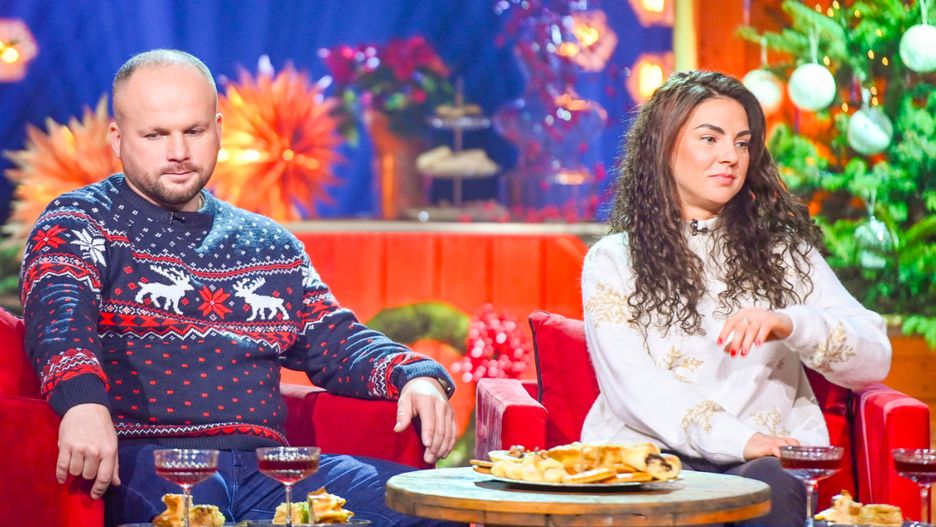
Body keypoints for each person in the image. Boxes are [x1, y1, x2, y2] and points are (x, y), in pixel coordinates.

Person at [20, 49, 462, 527]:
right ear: (118, 138)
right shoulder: (80, 220)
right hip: (148, 460)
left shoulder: (269, 243)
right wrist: (83, 402)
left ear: (218, 129)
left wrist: (413, 374)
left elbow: (335, 339)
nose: (178, 152)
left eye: (193, 131)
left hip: (267, 469)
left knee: (433, 508)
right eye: (155, 135)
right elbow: (59, 318)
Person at [580, 70, 892, 526]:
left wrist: (792, 323)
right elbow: (635, 387)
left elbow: (874, 360)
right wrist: (737, 439)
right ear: (662, 147)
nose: (731, 156)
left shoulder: (783, 252)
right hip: (649, 455)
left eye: (742, 143)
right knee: (662, 491)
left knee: (773, 485)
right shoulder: (615, 259)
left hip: (765, 461)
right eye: (710, 139)